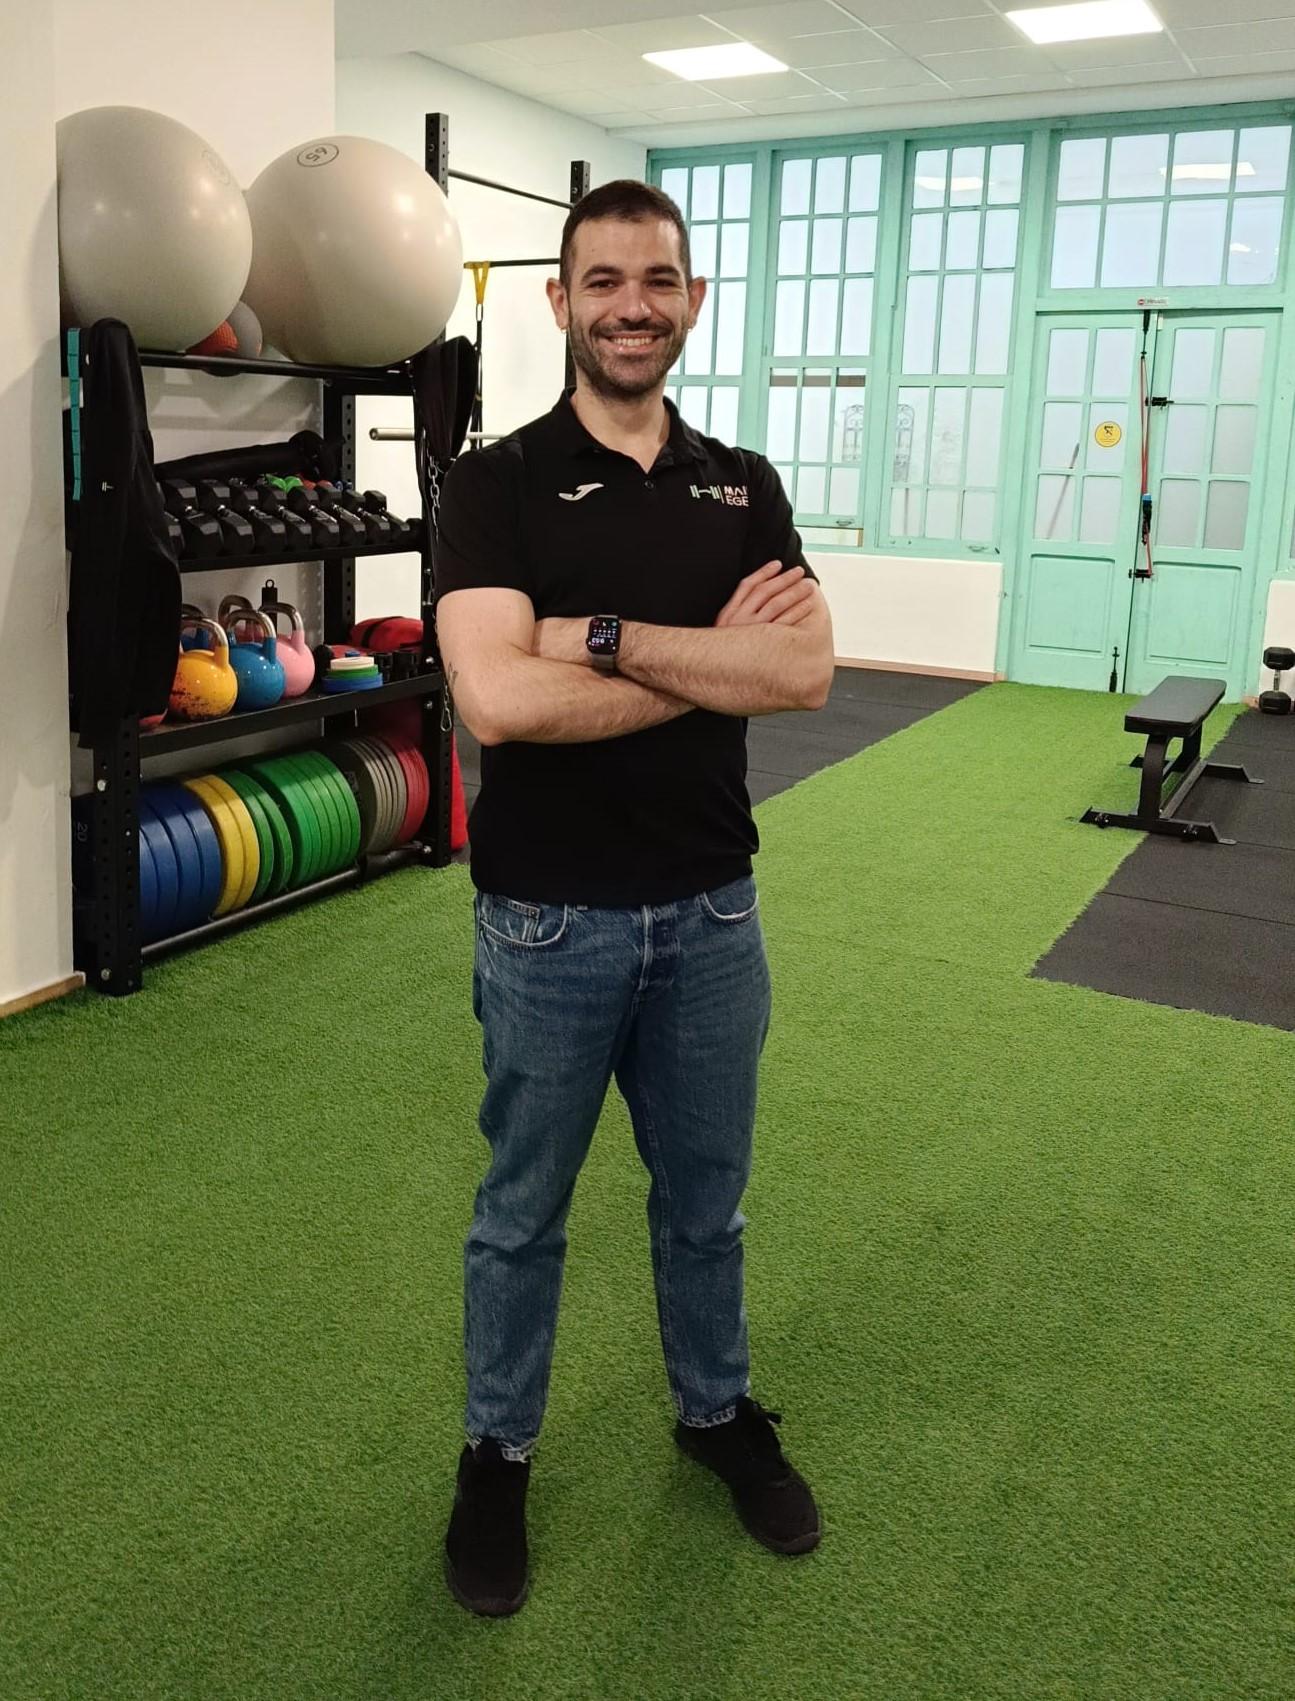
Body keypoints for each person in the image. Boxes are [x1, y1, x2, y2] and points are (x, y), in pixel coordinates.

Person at [433, 179, 836, 1618]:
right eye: (602, 281)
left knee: (707, 1203)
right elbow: (496, 700)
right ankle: (497, 1454)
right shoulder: (494, 486)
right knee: (521, 1214)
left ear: (692, 300)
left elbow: (801, 672)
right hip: (548, 922)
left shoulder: (744, 483)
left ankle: (715, 1411)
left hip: (714, 914)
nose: (631, 307)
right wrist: (706, 662)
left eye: (657, 280)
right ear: (560, 301)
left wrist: (597, 638)